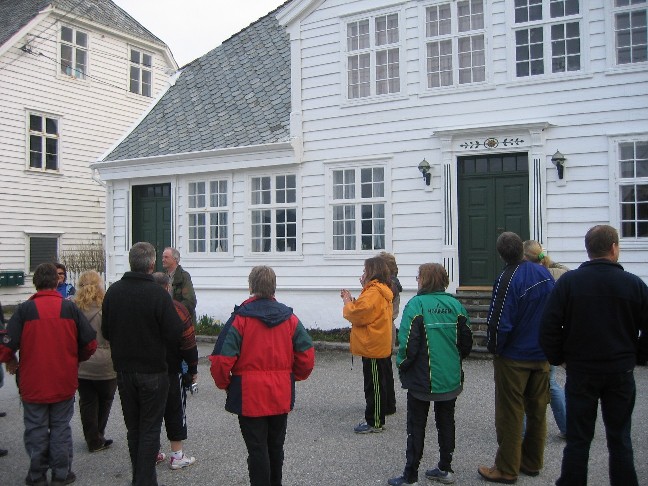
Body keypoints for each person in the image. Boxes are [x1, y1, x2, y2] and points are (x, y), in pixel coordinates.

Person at [540, 225, 648, 486]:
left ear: (588, 251)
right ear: (613, 248)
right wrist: (637, 356)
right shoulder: (633, 284)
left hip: (581, 370)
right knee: (619, 438)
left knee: (579, 439)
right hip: (619, 371)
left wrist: (559, 357)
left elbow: (548, 326)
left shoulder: (569, 283)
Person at [210, 265, 315, 486]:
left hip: (249, 395)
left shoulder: (240, 319)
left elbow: (221, 359)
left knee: (257, 450)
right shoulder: (290, 318)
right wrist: (292, 377)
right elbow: (306, 354)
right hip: (280, 392)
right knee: (276, 447)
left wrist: (226, 384)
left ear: (251, 287)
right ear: (274, 287)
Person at [0, 263, 97, 486]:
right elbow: (90, 343)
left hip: (33, 381)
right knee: (61, 427)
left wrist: (11, 360)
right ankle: (61, 474)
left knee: (36, 429)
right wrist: (76, 358)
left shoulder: (25, 310)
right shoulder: (69, 309)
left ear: (35, 282)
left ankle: (37, 475)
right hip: (63, 379)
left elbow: (5, 347)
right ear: (56, 281)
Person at [101, 242, 182, 486]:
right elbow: (174, 332)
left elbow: (106, 331)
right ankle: (144, 480)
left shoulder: (114, 292)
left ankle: (140, 477)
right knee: (148, 429)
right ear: (151, 264)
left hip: (124, 370)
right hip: (152, 371)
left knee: (134, 428)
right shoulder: (158, 294)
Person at [478, 232, 554, 484]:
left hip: (515, 356)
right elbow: (554, 312)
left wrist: (495, 348)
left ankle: (507, 468)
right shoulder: (543, 273)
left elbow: (500, 320)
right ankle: (532, 461)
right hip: (541, 354)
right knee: (537, 410)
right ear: (521, 250)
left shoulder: (507, 278)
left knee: (510, 413)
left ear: (501, 254)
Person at [388, 263, 472, 486]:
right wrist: (454, 360)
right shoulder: (456, 306)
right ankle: (445, 468)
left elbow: (407, 344)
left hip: (422, 378)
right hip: (450, 376)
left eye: (418, 277)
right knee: (446, 422)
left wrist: (402, 365)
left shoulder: (416, 305)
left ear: (423, 280)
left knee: (416, 425)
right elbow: (467, 342)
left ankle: (410, 475)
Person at [340, 256, 393, 434]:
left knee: (374, 385)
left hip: (372, 344)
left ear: (372, 271)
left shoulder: (373, 292)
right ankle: (377, 416)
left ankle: (375, 421)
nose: (362, 274)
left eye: (365, 271)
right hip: (377, 343)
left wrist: (348, 302)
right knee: (377, 383)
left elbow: (358, 314)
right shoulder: (379, 290)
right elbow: (368, 312)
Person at [151, 272, 198, 470]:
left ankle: (151, 452)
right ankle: (177, 455)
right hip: (171, 368)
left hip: (146, 368)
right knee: (175, 410)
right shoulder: (177, 309)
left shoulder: (140, 309)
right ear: (167, 287)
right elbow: (188, 343)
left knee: (149, 413)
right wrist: (192, 369)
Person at [522, 240, 567, 439]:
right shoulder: (560, 272)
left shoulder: (530, 275)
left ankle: (523, 432)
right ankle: (567, 426)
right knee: (551, 383)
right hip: (553, 335)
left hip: (534, 336)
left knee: (523, 386)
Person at [74, 271, 117, 453]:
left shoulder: (74, 308)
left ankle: (93, 438)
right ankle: (99, 433)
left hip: (82, 361)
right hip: (105, 361)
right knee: (105, 400)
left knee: (87, 401)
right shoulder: (106, 308)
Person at [378, 251, 402, 416]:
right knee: (385, 367)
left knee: (382, 367)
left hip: (383, 328)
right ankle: (388, 402)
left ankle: (384, 403)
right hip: (388, 326)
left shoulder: (388, 286)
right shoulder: (392, 284)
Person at [162, 247, 197, 324]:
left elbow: (190, 301)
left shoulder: (184, 276)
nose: (163, 260)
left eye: (166, 257)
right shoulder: (164, 277)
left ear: (175, 259)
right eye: (163, 257)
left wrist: (173, 312)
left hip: (182, 322)